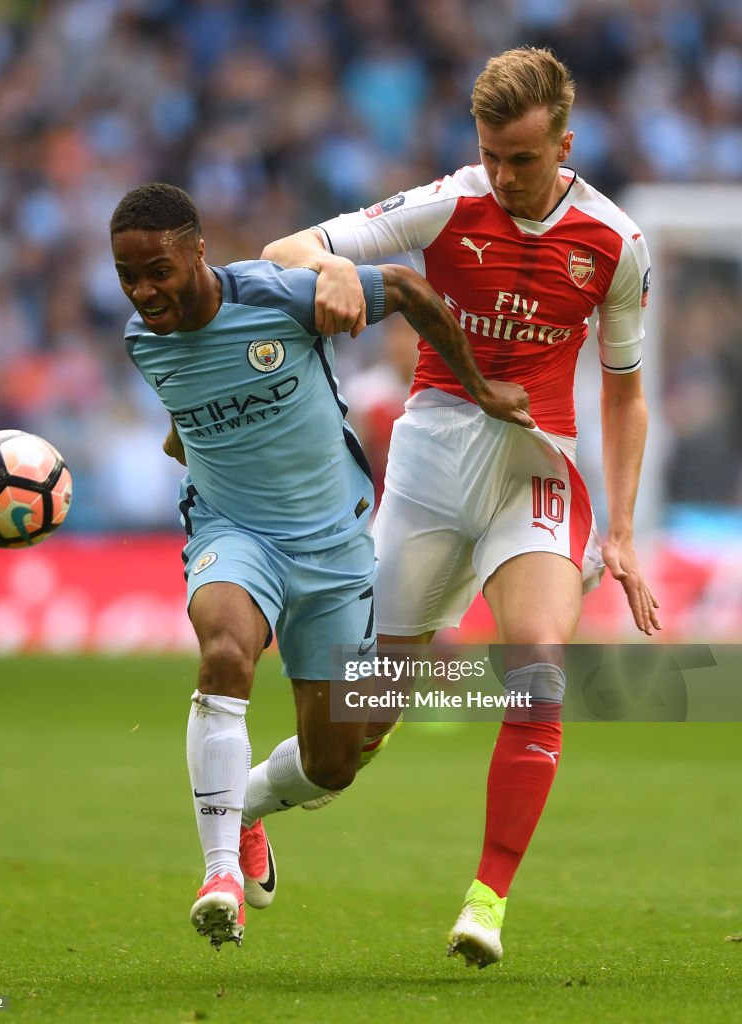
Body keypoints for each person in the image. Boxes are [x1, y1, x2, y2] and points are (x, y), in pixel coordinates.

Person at [262, 46, 662, 967]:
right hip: (432, 467)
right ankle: (238, 811)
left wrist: (628, 534)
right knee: (351, 739)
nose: (503, 176)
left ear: (564, 143)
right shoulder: (450, 202)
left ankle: (486, 900)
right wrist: (328, 270)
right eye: (490, 155)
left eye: (522, 159)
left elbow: (626, 391)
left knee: (537, 669)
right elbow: (289, 249)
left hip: (536, 468)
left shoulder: (616, 245)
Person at [109, 182, 532, 950]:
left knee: (334, 762)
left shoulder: (275, 299)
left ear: (197, 252)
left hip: (334, 549)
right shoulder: (143, 339)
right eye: (127, 276)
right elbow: (188, 417)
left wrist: (476, 387)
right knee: (226, 652)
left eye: (157, 271)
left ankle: (242, 816)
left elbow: (406, 287)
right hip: (233, 531)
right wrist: (188, 448)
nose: (144, 292)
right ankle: (218, 877)